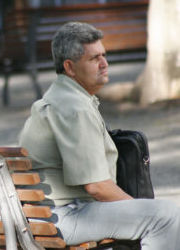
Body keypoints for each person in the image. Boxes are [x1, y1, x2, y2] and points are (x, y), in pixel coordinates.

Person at [18, 21, 180, 250]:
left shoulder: (57, 98)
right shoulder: (75, 108)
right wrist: (139, 209)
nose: (104, 64)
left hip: (43, 213)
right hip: (63, 217)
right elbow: (97, 187)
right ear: (70, 67)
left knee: (158, 213)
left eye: (103, 55)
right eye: (94, 59)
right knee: (166, 215)